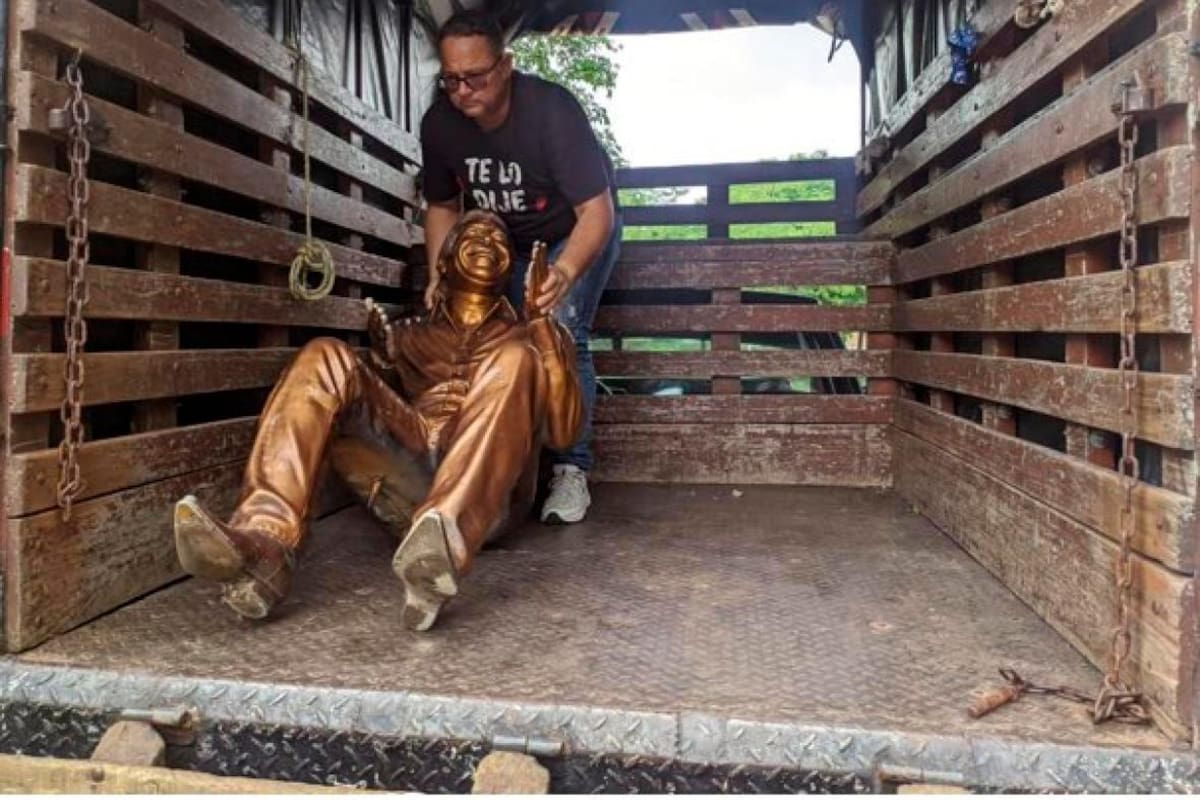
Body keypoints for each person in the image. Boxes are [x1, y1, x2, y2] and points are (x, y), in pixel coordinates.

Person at [173, 211, 582, 631]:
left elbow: (564, 432)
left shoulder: (535, 336)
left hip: (490, 501)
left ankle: (442, 552)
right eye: (472, 234)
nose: (487, 241)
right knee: (325, 354)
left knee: (515, 358)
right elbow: (369, 418)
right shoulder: (409, 335)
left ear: (511, 267)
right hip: (414, 484)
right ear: (442, 263)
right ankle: (264, 547)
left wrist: (543, 335)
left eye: (498, 240)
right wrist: (384, 364)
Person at [420, 9, 621, 524]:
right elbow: (442, 206)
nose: (462, 91)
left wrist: (566, 274)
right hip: (508, 242)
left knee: (558, 325)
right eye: (451, 80)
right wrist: (439, 274)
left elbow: (596, 213)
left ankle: (571, 469)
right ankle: (507, 465)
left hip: (574, 232)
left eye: (475, 77)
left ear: (506, 65)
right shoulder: (440, 123)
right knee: (497, 335)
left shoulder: (551, 111)